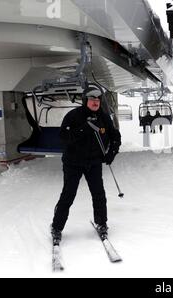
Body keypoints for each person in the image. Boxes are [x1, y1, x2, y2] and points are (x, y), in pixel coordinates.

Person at [51, 86, 122, 243]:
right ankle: (56, 227)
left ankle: (101, 223)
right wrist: (83, 130)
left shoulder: (104, 117)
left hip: (94, 162)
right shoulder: (73, 116)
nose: (95, 102)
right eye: (92, 99)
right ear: (85, 101)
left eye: (98, 100)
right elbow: (63, 137)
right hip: (73, 163)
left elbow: (115, 136)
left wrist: (112, 153)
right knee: (69, 194)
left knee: (98, 194)